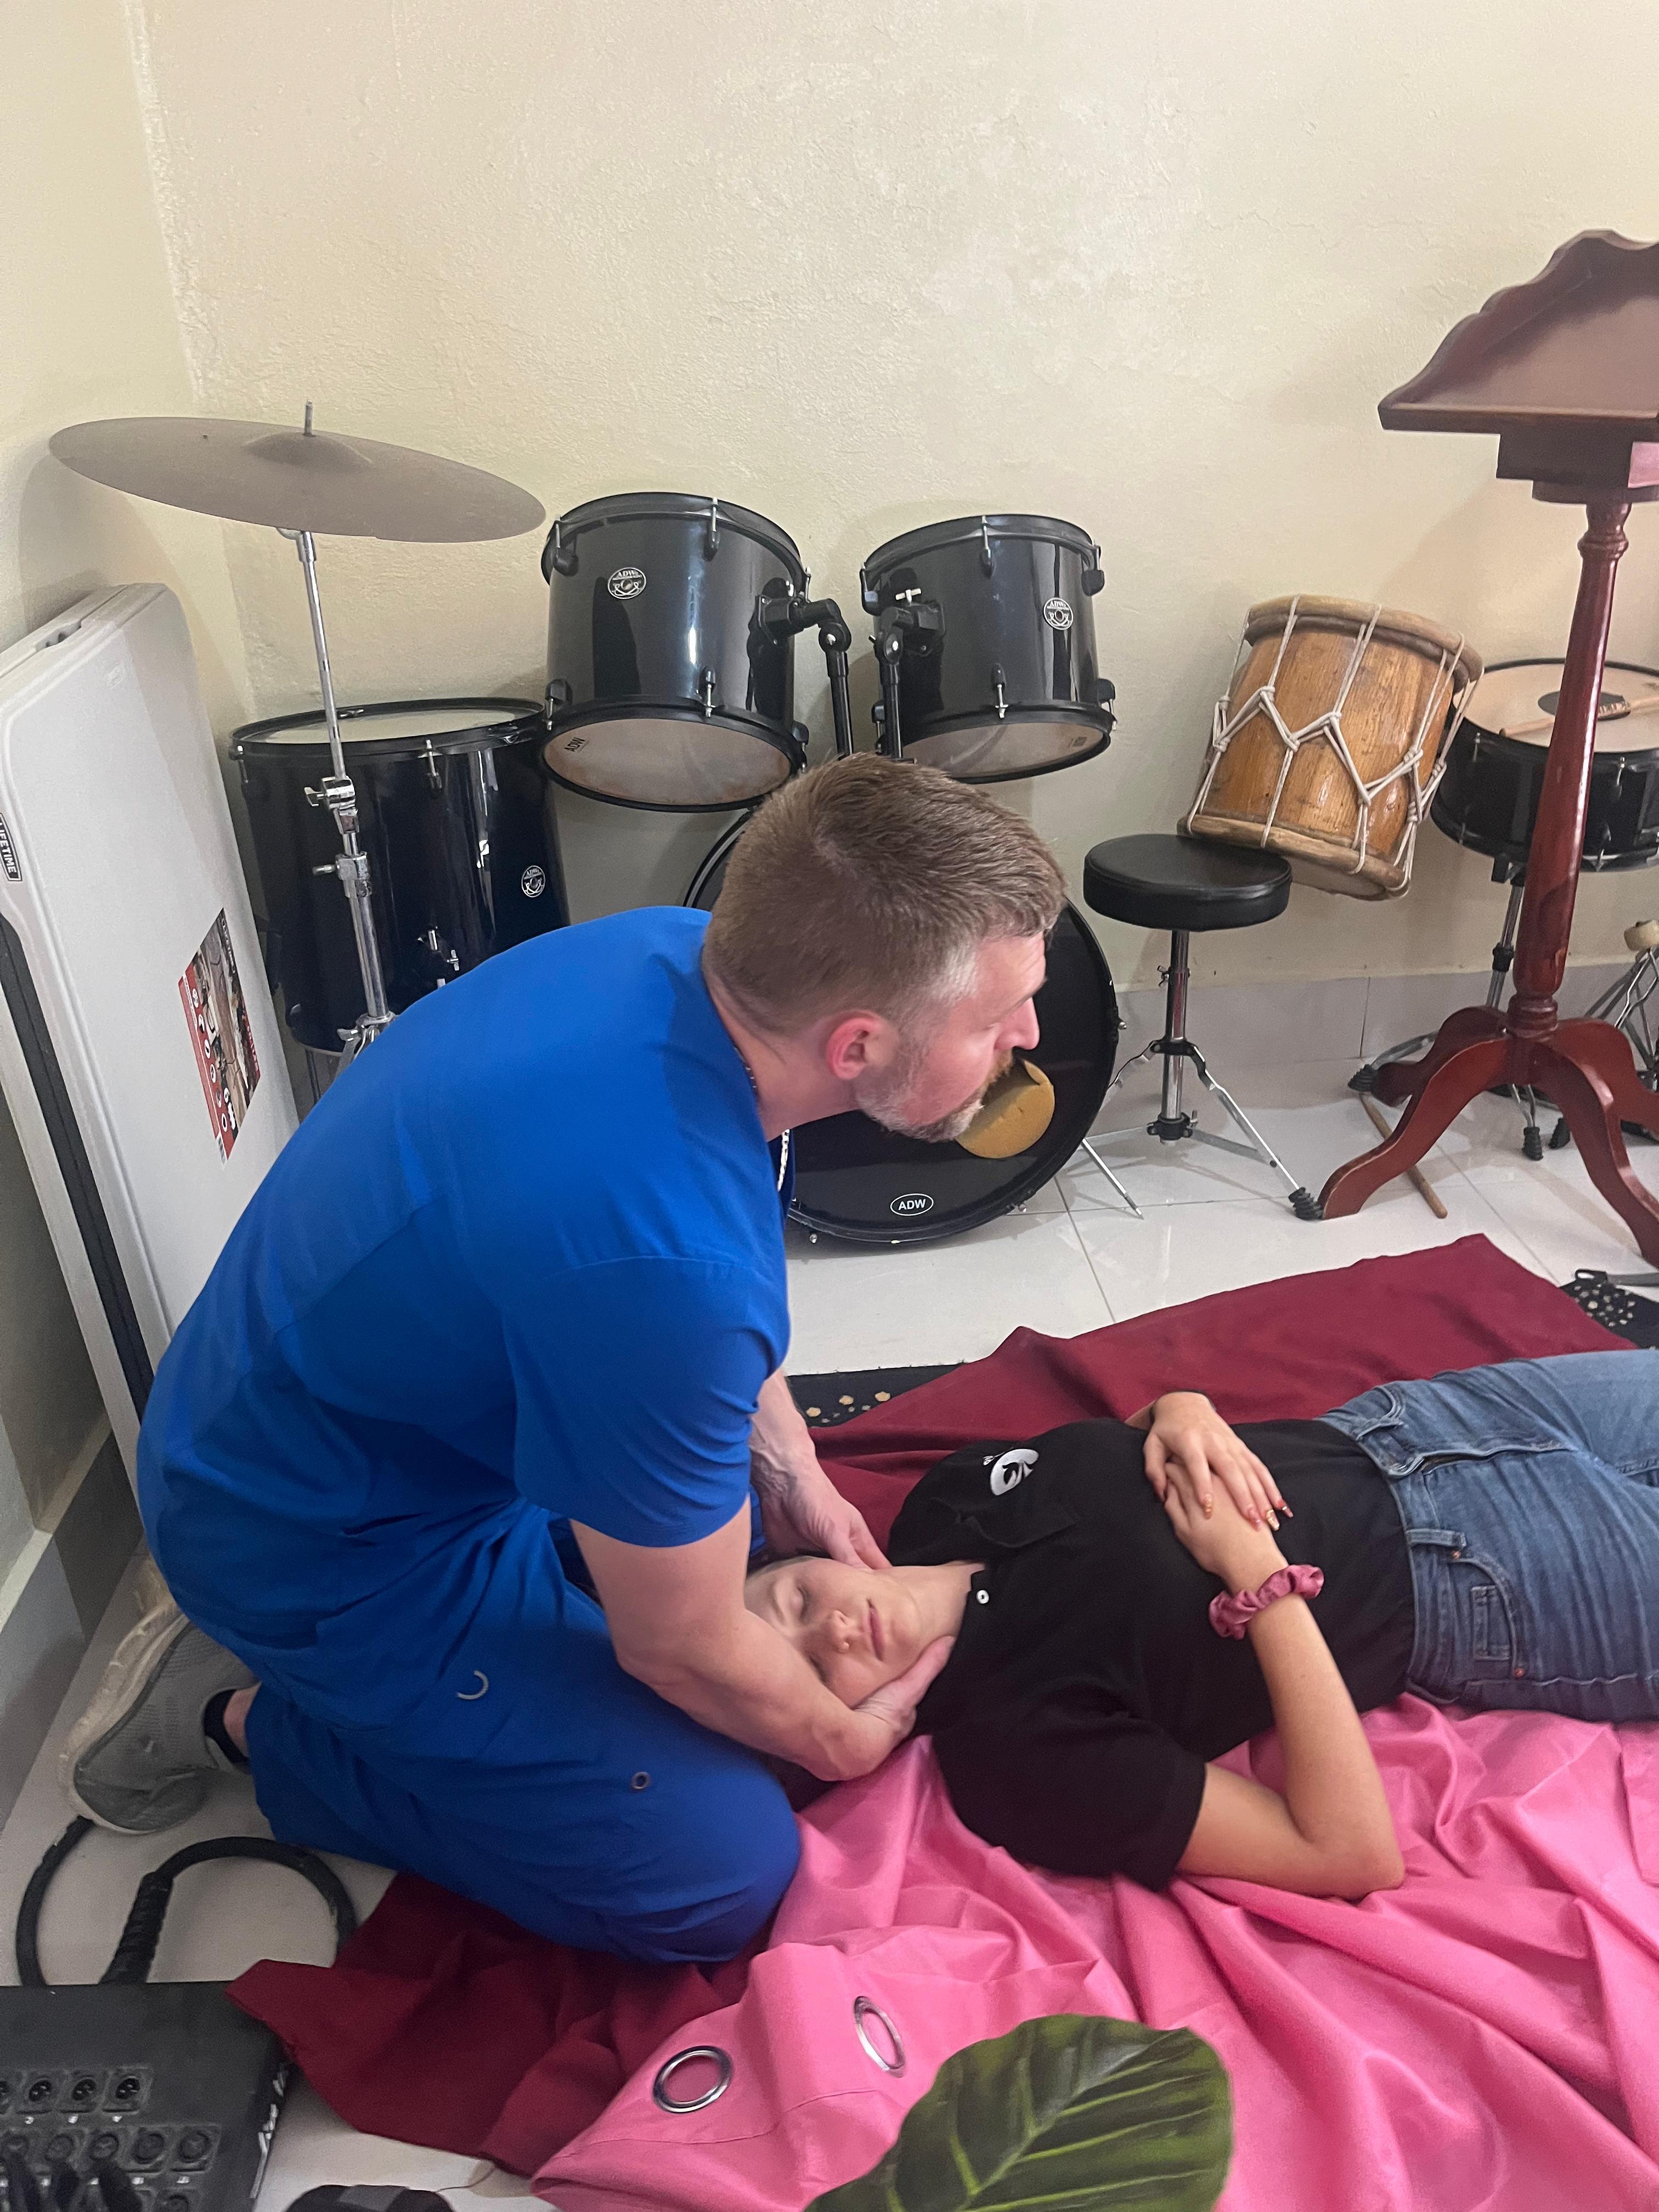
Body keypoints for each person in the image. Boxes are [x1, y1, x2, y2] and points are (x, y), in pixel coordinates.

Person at [61, 757, 1065, 1964]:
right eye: (997, 1018)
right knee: (720, 1871)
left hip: (302, 1413)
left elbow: (664, 1285)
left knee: (741, 1520)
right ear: (855, 1043)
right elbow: (676, 1644)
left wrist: (790, 1464)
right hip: (312, 1551)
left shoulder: (679, 954)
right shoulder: (674, 1272)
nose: (1029, 1036)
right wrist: (836, 1743)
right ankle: (242, 1717)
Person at [744, 1350, 1659, 1899]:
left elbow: (1127, 1448)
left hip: (1414, 1423)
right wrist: (1260, 1579)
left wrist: (1181, 1410)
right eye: (816, 1674)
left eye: (794, 1604)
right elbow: (1349, 1853)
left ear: (802, 1558)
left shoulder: (941, 1505)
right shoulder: (1013, 1754)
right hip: (1479, 1580)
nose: (834, 1633)